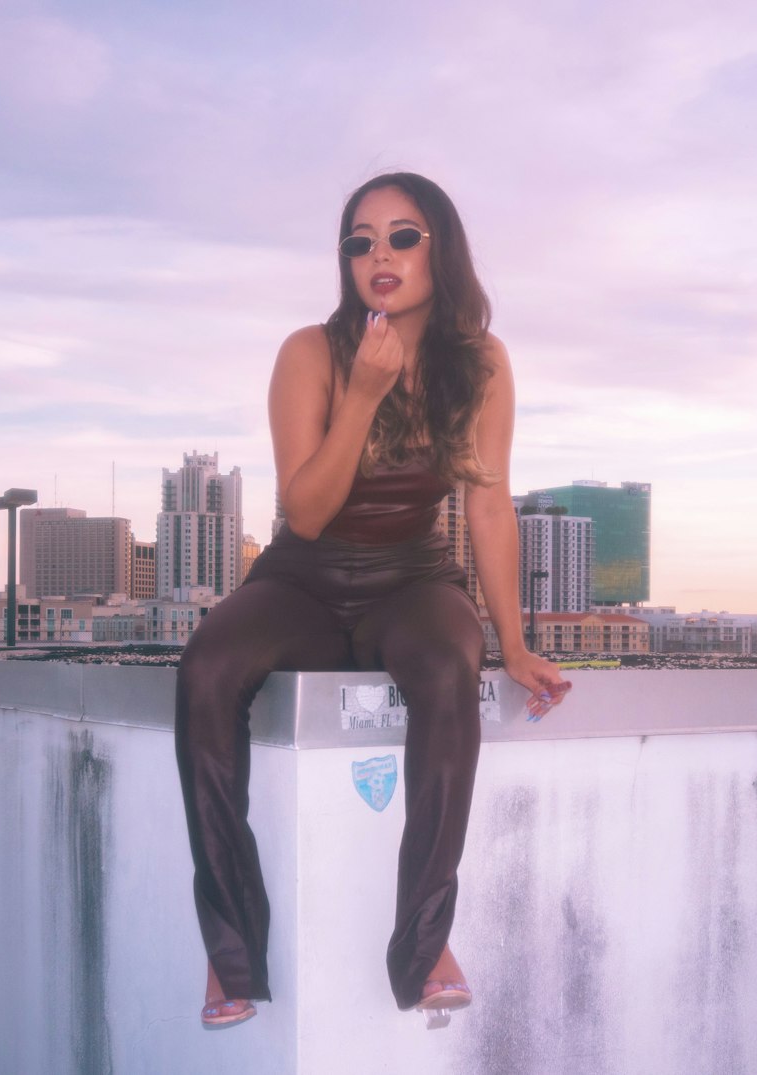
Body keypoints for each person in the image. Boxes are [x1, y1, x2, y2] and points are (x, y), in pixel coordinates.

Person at [175, 171, 572, 1030]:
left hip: (414, 581)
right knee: (208, 663)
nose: (379, 255)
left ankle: (424, 942)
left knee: (444, 663)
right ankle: (232, 945)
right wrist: (361, 393)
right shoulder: (309, 352)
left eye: (402, 235)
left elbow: (490, 504)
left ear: (442, 248)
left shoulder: (481, 361)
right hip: (301, 580)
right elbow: (307, 509)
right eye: (360, 240)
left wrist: (513, 641)